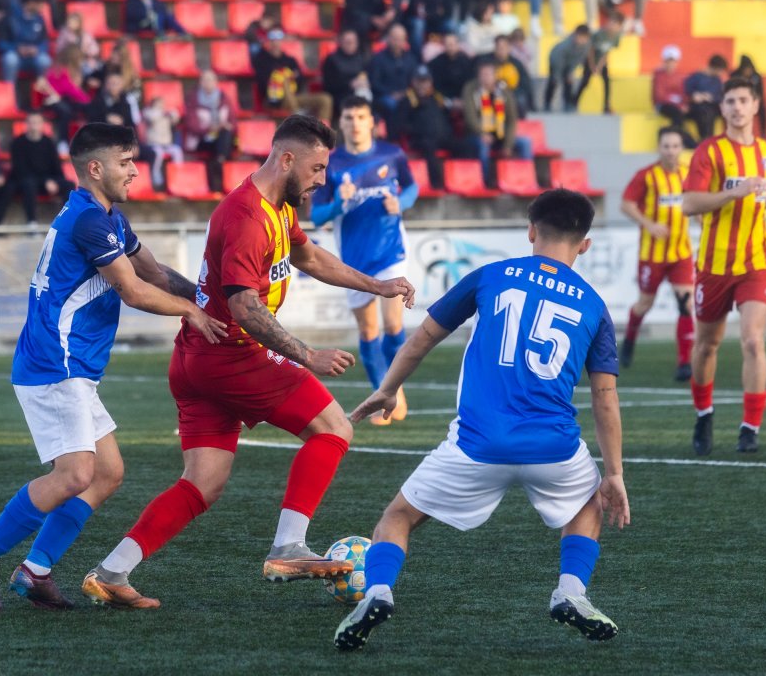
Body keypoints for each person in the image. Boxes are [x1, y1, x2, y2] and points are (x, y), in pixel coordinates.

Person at [81, 114, 415, 609]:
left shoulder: (279, 206)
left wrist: (378, 284)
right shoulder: (246, 216)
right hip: (230, 355)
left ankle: (111, 572)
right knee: (333, 428)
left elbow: (312, 258)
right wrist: (307, 354)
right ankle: (287, 547)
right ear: (287, 159)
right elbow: (243, 307)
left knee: (203, 483)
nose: (323, 180)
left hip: (196, 359)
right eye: (318, 168)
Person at [333, 188, 630, 651]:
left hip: (477, 444)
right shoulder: (594, 306)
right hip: (552, 448)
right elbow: (605, 398)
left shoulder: (491, 275)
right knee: (593, 498)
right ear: (585, 244)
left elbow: (422, 339)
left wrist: (388, 389)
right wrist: (614, 473)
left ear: (531, 231)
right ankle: (571, 592)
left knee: (398, 516)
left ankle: (377, 591)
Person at [0, 123, 228, 613]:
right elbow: (133, 289)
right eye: (126, 162)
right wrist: (190, 311)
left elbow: (155, 273)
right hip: (54, 364)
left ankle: (35, 570)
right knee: (76, 473)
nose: (135, 170)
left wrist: (206, 296)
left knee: (108, 473)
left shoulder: (109, 217)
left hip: (73, 367)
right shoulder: (88, 221)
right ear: (95, 168)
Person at [683, 78, 766, 455]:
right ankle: (704, 415)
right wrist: (733, 191)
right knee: (706, 346)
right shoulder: (710, 151)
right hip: (715, 263)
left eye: (742, 100)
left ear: (754, 105)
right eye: (729, 101)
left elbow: (765, 200)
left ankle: (750, 428)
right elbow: (689, 204)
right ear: (722, 108)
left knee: (752, 340)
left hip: (757, 261)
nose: (736, 107)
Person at [311, 95, 417, 422]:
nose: (355, 123)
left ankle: (392, 392)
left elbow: (412, 189)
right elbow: (316, 216)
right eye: (348, 117)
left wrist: (401, 204)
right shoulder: (332, 164)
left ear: (371, 121)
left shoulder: (392, 155)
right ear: (340, 123)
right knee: (369, 330)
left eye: (360, 117)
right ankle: (382, 393)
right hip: (354, 261)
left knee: (393, 323)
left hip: (391, 252)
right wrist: (339, 206)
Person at [620, 127, 695, 381]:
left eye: (675, 146)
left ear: (681, 148)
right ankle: (629, 340)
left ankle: (685, 363)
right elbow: (626, 204)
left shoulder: (689, 173)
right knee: (645, 304)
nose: (671, 151)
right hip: (652, 254)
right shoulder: (647, 176)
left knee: (686, 304)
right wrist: (649, 224)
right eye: (666, 146)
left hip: (681, 252)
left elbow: (697, 203)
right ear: (659, 148)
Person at [0, 110, 75, 226]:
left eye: (37, 122)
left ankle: (69, 222)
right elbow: (21, 170)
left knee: (69, 184)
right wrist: (46, 181)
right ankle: (32, 222)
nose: (34, 126)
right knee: (29, 183)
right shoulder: (18, 142)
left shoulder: (49, 142)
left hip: (46, 181)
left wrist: (55, 182)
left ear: (42, 124)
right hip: (23, 181)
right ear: (26, 124)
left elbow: (56, 167)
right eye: (31, 122)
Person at [394, 67, 467, 190]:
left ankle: (461, 181)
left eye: (425, 81)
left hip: (442, 138)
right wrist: (418, 130)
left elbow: (448, 116)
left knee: (465, 146)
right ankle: (436, 184)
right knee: (429, 147)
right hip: (420, 140)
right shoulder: (407, 100)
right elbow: (399, 125)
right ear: (413, 82)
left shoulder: (437, 98)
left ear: (430, 82)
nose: (422, 85)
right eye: (419, 81)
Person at [462, 60, 532, 183]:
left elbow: (511, 120)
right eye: (482, 75)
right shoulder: (471, 90)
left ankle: (526, 178)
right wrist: (482, 133)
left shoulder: (504, 92)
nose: (485, 78)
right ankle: (486, 181)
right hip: (478, 134)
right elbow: (470, 117)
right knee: (483, 146)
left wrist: (508, 145)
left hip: (501, 134)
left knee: (525, 143)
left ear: (495, 76)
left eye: (488, 75)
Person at [252, 29, 333, 122]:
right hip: (273, 100)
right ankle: (300, 118)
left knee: (325, 100)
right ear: (268, 41)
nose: (275, 43)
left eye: (278, 39)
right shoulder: (261, 60)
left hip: (293, 97)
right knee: (283, 79)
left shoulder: (290, 60)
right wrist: (280, 77)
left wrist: (295, 77)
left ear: (282, 41)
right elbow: (262, 84)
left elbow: (301, 80)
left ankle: (322, 133)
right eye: (272, 39)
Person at [184, 69, 237, 194]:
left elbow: (233, 122)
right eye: (205, 80)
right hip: (202, 139)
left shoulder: (224, 98)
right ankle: (221, 161)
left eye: (211, 80)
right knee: (223, 141)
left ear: (216, 82)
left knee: (225, 134)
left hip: (220, 139)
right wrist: (210, 128)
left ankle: (220, 160)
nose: (208, 83)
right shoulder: (193, 100)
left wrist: (226, 126)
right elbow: (192, 125)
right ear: (200, 83)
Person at [573, 11, 625, 114]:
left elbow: (607, 52)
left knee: (607, 81)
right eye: (611, 22)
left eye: (615, 24)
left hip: (601, 61)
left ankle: (606, 105)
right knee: (585, 81)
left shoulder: (617, 37)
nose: (611, 25)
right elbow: (590, 50)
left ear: (619, 26)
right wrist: (592, 66)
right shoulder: (599, 34)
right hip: (590, 59)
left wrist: (600, 66)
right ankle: (574, 101)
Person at [0, 0, 53, 85]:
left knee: (45, 61)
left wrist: (37, 49)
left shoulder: (40, 19)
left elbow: (45, 43)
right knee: (10, 60)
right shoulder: (10, 17)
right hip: (15, 54)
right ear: (31, 2)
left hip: (33, 57)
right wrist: (17, 48)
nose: (41, 8)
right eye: (40, 4)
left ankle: (43, 93)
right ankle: (9, 92)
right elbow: (1, 43)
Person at [367, 25, 418, 119]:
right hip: (384, 96)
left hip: (405, 94)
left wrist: (405, 93)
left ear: (405, 41)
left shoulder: (410, 59)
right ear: (389, 39)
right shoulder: (378, 58)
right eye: (395, 39)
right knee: (392, 105)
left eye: (400, 39)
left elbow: (414, 80)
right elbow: (374, 82)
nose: (397, 42)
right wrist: (391, 93)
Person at [321, 28, 372, 114]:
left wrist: (366, 82)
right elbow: (328, 85)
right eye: (348, 42)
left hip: (360, 91)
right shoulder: (331, 60)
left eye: (354, 42)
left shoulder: (361, 58)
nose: (351, 45)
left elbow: (367, 75)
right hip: (340, 95)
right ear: (341, 43)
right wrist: (349, 84)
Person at [543, 25, 591, 112]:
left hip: (569, 64)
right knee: (553, 81)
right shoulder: (565, 46)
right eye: (580, 37)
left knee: (568, 83)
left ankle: (567, 103)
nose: (582, 40)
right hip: (556, 62)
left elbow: (579, 59)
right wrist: (557, 75)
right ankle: (547, 103)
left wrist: (571, 72)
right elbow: (557, 61)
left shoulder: (586, 46)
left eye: (584, 38)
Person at [142, 95, 183, 188]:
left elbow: (176, 120)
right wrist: (161, 112)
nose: (161, 105)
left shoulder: (167, 113)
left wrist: (172, 113)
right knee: (158, 153)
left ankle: (178, 174)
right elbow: (152, 118)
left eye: (162, 104)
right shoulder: (148, 112)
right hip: (153, 144)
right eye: (158, 103)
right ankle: (156, 176)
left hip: (166, 144)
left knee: (177, 151)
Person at [684, 54, 728, 140]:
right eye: (720, 70)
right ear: (715, 68)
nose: (721, 73)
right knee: (705, 112)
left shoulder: (717, 80)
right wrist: (696, 96)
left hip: (713, 107)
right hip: (698, 108)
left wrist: (711, 98)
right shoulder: (696, 77)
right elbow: (687, 91)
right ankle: (706, 139)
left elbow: (720, 96)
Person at [731, 54, 766, 136]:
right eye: (746, 69)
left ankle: (764, 133)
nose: (748, 71)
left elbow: (760, 93)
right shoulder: (734, 76)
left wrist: (755, 100)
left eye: (749, 69)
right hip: (738, 101)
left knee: (762, 109)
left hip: (753, 101)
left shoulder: (756, 76)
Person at [652, 45, 686, 126]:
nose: (671, 64)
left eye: (673, 61)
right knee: (676, 113)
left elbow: (682, 92)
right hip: (662, 105)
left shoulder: (679, 75)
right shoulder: (658, 75)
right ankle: (675, 135)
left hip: (677, 105)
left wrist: (684, 104)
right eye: (668, 61)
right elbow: (660, 96)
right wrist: (678, 104)